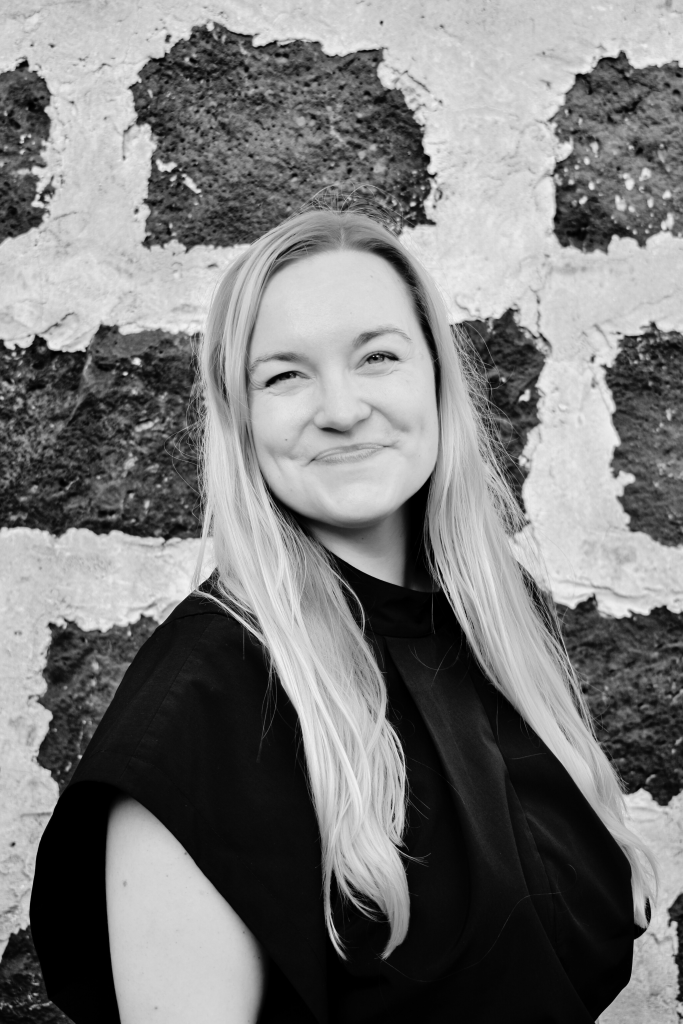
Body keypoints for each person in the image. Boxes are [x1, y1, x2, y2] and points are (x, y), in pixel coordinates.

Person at [30, 194, 655, 1024]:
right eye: (284, 374)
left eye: (377, 357)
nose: (340, 407)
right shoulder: (205, 707)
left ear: (435, 377)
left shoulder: (499, 626)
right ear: (241, 419)